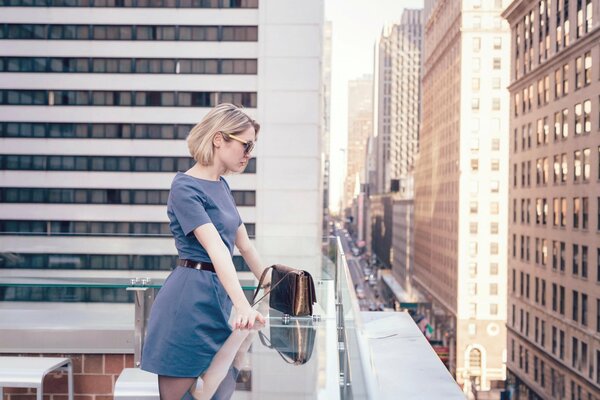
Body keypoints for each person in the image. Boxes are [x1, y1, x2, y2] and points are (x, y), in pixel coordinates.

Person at [140, 103, 268, 399]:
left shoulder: (222, 186)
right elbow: (215, 249)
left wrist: (274, 284)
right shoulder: (184, 187)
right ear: (219, 139)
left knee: (216, 392)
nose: (249, 154)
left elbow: (244, 246)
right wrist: (243, 305)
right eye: (245, 145)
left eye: (253, 147)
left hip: (217, 297)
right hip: (188, 304)